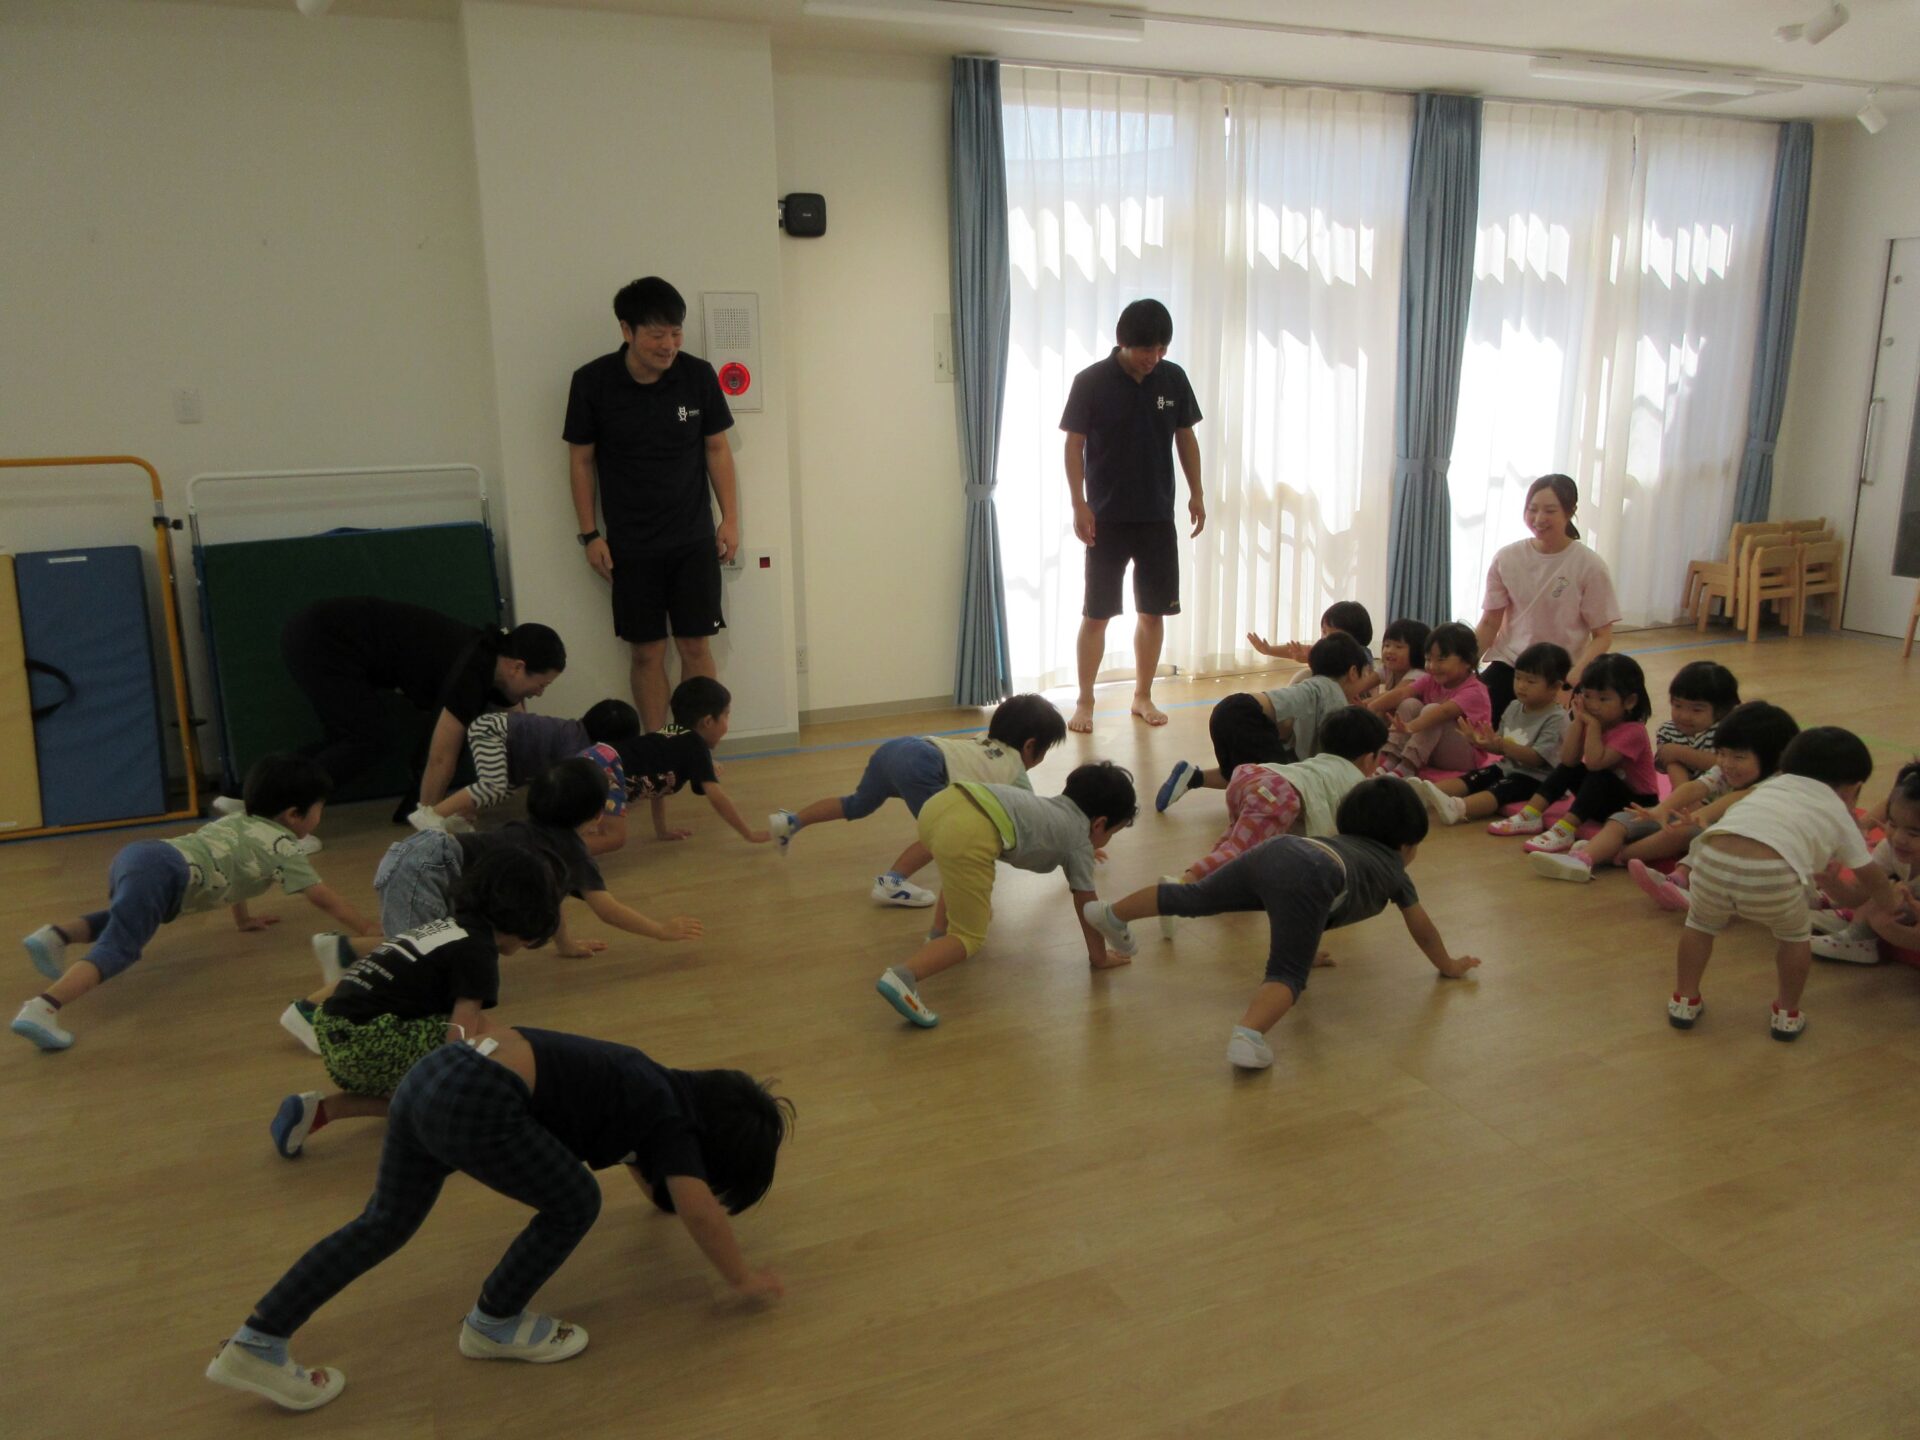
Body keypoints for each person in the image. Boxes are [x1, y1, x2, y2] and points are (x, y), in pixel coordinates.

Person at [207, 1025, 791, 1412]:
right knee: (576, 1203)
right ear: (711, 1146)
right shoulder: (671, 1121)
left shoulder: (652, 1085)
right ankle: (494, 1323)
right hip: (477, 1099)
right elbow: (698, 1209)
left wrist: (660, 1195)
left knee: (382, 1222)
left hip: (432, 1075)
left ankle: (258, 1341)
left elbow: (647, 1164)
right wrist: (741, 1279)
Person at [1082, 778, 1481, 1071]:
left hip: (1279, 848)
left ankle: (1111, 913)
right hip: (1313, 872)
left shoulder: (1341, 843)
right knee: (1287, 973)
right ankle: (1248, 1035)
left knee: (1195, 896)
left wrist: (1308, 947)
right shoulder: (1394, 869)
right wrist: (1447, 964)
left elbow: (1311, 910)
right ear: (1407, 845)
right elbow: (1421, 926)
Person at [12, 756, 376, 1052]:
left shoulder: (241, 820)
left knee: (127, 917)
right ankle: (43, 1008)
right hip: (166, 872)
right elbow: (323, 897)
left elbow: (237, 872)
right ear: (294, 815)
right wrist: (366, 929)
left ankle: (55, 936)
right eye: (319, 809)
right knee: (119, 947)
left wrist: (243, 919)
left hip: (143, 854)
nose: (319, 817)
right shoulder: (284, 847)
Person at [270, 846, 560, 1158]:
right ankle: (526, 1099)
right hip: (366, 1040)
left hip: (334, 1032)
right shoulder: (478, 951)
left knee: (418, 1099)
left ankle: (320, 1111)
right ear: (528, 924)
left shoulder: (449, 925)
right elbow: (460, 1033)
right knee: (482, 1045)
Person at [566, 277, 740, 732]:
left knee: (696, 647)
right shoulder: (592, 382)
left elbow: (717, 450)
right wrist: (590, 534)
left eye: (676, 333)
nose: (669, 345)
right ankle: (658, 745)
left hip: (693, 539)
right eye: (657, 334)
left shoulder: (697, 376)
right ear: (627, 330)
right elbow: (581, 461)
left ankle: (696, 746)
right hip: (630, 544)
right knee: (646, 652)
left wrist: (730, 520)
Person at [1665, 728, 1900, 1041]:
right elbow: (1869, 873)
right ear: (1853, 789)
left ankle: (1684, 999)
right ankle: (1786, 1014)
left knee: (1699, 925)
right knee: (1793, 938)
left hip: (1709, 860)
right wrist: (1891, 904)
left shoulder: (1770, 786)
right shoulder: (1837, 810)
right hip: (1771, 875)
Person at [873, 762, 1138, 1029]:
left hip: (943, 804)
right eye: (1113, 833)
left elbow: (1059, 836)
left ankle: (938, 936)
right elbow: (1088, 907)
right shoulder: (1079, 842)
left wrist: (1083, 849)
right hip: (968, 831)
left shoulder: (1050, 810)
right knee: (969, 936)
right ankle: (903, 977)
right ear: (1100, 824)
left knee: (959, 871)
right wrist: (1099, 957)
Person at [767, 694, 1067, 907]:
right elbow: (1033, 816)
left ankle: (790, 822)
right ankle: (891, 882)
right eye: (1044, 752)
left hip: (897, 749)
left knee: (856, 804)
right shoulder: (1013, 768)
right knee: (942, 831)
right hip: (922, 764)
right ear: (1030, 747)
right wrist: (1066, 844)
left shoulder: (983, 740)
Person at [274, 598, 565, 812]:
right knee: (369, 738)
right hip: (323, 639)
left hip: (323, 634)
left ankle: (267, 788)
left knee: (348, 737)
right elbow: (440, 758)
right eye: (541, 684)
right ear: (518, 667)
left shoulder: (493, 661)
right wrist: (430, 819)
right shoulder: (471, 673)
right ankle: (279, 808)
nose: (539, 694)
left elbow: (521, 730)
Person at [1061, 298, 1205, 732]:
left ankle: (1142, 695)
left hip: (1157, 515)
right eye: (1146, 349)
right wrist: (1078, 502)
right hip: (1105, 517)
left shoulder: (1173, 378)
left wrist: (1197, 492)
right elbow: (1073, 444)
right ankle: (1085, 700)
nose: (1153, 357)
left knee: (1153, 612)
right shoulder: (1091, 381)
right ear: (1123, 342)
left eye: (1161, 348)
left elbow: (1185, 437)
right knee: (1097, 613)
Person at [1533, 700, 1797, 884]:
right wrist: (1660, 809)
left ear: (1773, 758)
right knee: (1624, 819)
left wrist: (1699, 816)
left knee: (1687, 834)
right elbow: (1696, 786)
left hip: (1732, 837)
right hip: (1700, 820)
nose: (1726, 763)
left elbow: (1734, 798)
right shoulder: (1724, 768)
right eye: (1721, 754)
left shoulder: (1771, 783)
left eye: (1738, 757)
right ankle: (1583, 859)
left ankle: (1622, 857)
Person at [1156, 632, 1373, 812]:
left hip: (1228, 711)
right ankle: (1257, 824)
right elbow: (1331, 752)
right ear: (1353, 672)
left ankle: (1191, 777)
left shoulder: (1313, 684)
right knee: (1279, 784)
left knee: (1240, 773)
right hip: (1246, 716)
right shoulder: (1334, 693)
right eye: (1366, 675)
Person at [1175, 706, 1387, 884]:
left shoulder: (1322, 762)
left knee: (1234, 841)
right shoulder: (1355, 782)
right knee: (1240, 851)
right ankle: (1183, 886)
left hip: (1251, 776)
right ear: (1369, 759)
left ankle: (1211, 881)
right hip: (1276, 793)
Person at [1474, 474, 1620, 722]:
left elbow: (1602, 637)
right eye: (1532, 510)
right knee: (1474, 718)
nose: (1539, 519)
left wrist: (1569, 683)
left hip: (1559, 674)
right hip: (1511, 665)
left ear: (1570, 512)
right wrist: (1464, 668)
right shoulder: (1507, 558)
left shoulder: (1590, 565)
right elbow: (1490, 622)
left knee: (1552, 735)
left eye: (1550, 511)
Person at [410, 699, 641, 852]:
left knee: (502, 788)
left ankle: (457, 817)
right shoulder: (578, 749)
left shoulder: (575, 734)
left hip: (505, 743)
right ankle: (431, 814)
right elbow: (568, 791)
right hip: (493, 730)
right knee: (494, 786)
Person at [1486, 653, 1656, 852]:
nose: (1593, 705)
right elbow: (1568, 760)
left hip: (1636, 807)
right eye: (1588, 696)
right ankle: (1530, 814)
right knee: (1569, 768)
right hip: (1601, 801)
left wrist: (1592, 726)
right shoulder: (1594, 720)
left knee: (1600, 776)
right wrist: (1578, 721)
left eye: (1603, 699)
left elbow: (1595, 763)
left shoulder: (1633, 731)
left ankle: (1565, 829)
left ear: (1630, 701)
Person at [1416, 643, 1571, 826]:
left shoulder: (1556, 718)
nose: (1521, 686)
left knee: (1500, 789)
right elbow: (1498, 746)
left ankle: (1459, 808)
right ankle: (1423, 795)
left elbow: (1537, 759)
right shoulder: (1514, 707)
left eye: (1531, 681)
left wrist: (1501, 745)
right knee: (1476, 777)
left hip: (1537, 778)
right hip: (1508, 765)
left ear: (1555, 686)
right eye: (1518, 678)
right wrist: (1480, 741)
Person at [611, 676, 769, 845]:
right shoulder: (695, 744)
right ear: (708, 721)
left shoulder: (671, 733)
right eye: (726, 715)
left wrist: (661, 831)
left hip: (603, 760)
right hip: (608, 772)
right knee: (613, 839)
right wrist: (749, 834)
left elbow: (657, 784)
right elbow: (716, 796)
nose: (727, 722)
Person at [1810, 760, 1920, 965]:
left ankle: (1860, 936)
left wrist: (1892, 930)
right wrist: (1834, 886)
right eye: (1892, 824)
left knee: (1880, 906)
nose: (1899, 838)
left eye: (1914, 833)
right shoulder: (1889, 848)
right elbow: (1859, 893)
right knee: (1880, 893)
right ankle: (1855, 925)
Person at [1371, 622, 1492, 778]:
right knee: (1409, 704)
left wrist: (1411, 726)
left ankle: (1407, 767)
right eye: (1428, 659)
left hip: (1465, 757)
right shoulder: (1431, 679)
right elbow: (1402, 693)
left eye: (1441, 660)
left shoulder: (1475, 691)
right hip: (1432, 750)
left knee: (1432, 711)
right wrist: (1370, 708)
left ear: (1467, 661)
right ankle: (1391, 761)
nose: (1432, 666)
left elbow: (1443, 712)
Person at [1652, 661, 1740, 789]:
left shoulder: (1727, 730)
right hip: (1688, 795)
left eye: (1696, 710)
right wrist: (1686, 798)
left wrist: (1681, 753)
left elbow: (1728, 766)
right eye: (1677, 705)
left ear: (1721, 711)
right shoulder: (1668, 731)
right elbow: (1673, 767)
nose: (1684, 716)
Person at [1248, 601, 1377, 688]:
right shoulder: (1327, 649)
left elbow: (1338, 667)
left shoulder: (1361, 655)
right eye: (1323, 632)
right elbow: (1299, 650)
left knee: (1305, 676)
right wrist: (1269, 650)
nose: (1324, 638)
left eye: (1331, 633)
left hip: (1351, 707)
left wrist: (1312, 659)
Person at [1373, 617, 1431, 694]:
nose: (1389, 651)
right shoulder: (1387, 670)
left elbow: (1391, 697)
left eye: (1399, 647)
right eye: (1387, 645)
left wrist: (1364, 702)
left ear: (1417, 651)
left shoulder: (1418, 674)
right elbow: (1362, 684)